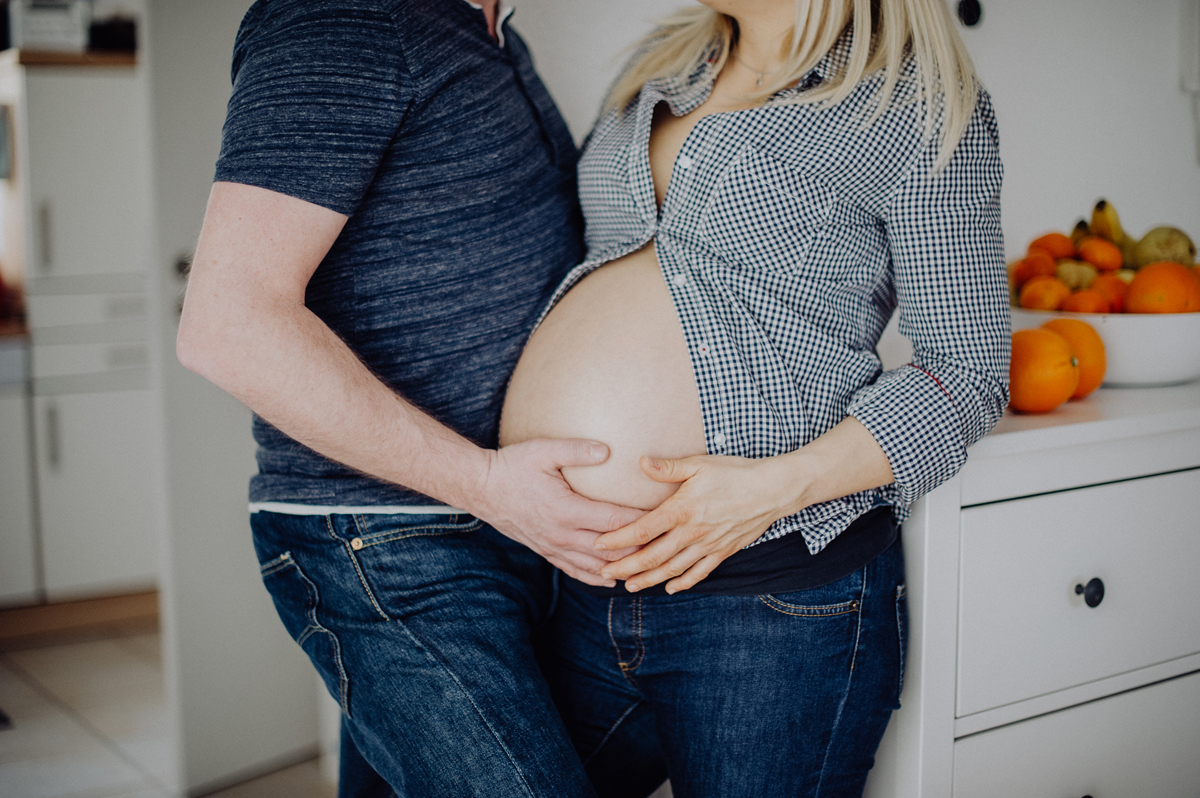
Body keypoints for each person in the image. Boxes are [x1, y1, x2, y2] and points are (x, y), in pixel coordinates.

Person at [500, 0, 1009, 795]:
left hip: (769, 602)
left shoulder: (915, 104)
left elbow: (968, 371)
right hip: (580, 588)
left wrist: (768, 490)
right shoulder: (661, 67)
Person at [176, 1, 649, 795]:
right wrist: (487, 484)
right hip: (388, 536)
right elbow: (228, 326)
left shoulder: (490, 31)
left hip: (498, 524)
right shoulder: (346, 16)